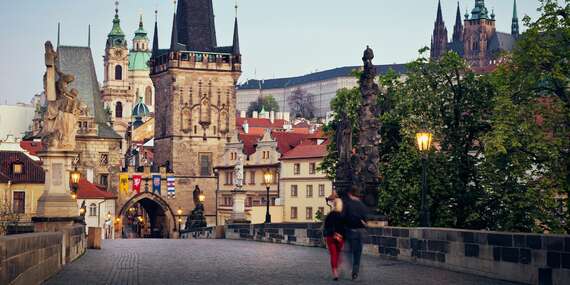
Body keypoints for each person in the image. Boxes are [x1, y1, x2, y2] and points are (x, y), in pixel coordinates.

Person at [343, 186, 368, 280]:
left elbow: (344, 218)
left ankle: (352, 268)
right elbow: (365, 219)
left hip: (350, 231)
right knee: (358, 253)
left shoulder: (348, 204)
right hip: (360, 231)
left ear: (350, 194)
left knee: (349, 252)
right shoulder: (362, 205)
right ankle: (355, 270)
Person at [323, 192, 345, 281]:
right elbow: (344, 227)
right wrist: (340, 235)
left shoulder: (329, 215)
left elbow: (326, 227)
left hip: (330, 237)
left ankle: (335, 272)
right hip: (340, 237)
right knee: (338, 254)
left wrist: (328, 235)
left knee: (333, 254)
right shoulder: (343, 215)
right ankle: (339, 266)